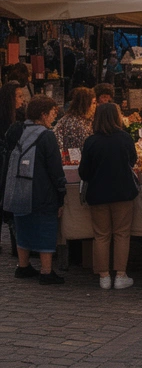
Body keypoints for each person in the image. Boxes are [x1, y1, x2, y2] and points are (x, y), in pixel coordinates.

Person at [3, 95, 66, 284]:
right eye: (53, 113)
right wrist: (61, 192)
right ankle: (46, 271)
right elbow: (55, 168)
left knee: (22, 224)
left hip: (17, 187)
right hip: (42, 190)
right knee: (46, 227)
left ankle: (23, 266)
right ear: (43, 114)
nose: (54, 118)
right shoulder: (46, 136)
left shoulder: (17, 130)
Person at [79, 102, 138, 290]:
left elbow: (83, 173)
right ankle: (120, 275)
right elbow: (133, 161)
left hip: (98, 194)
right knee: (121, 234)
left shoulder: (91, 142)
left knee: (101, 235)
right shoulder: (125, 138)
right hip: (123, 193)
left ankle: (103, 276)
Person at [54, 86, 95, 151]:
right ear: (85, 104)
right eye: (93, 103)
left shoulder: (84, 120)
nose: (95, 106)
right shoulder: (75, 123)